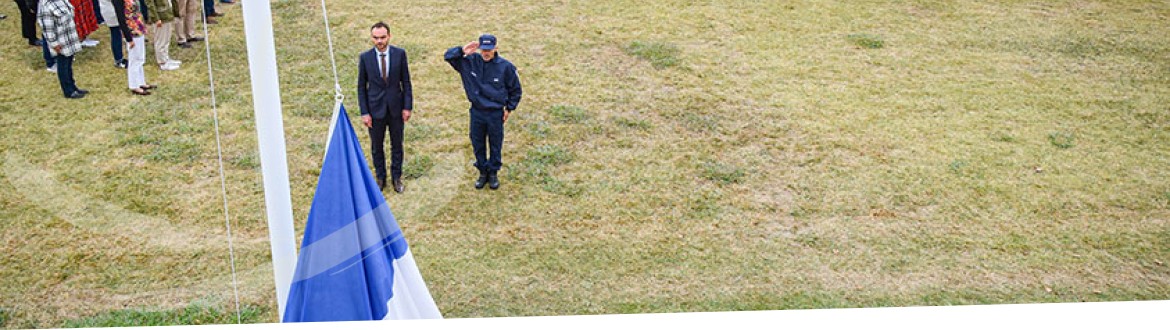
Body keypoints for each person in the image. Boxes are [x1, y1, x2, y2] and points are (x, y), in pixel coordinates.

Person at [444, 34, 523, 190]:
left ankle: (493, 173)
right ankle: (482, 171)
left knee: (495, 143)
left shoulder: (505, 67)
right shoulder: (469, 62)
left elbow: (516, 90)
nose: (486, 53)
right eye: (483, 49)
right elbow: (448, 57)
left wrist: (509, 108)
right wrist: (462, 51)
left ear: (496, 48)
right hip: (477, 111)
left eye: (489, 49)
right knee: (477, 142)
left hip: (495, 113)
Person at [357, 21, 413, 193]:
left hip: (396, 109)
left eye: (382, 37)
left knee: (397, 145)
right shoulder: (365, 58)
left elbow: (406, 82)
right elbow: (361, 87)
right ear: (371, 38)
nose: (379, 41)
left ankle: (397, 177)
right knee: (377, 146)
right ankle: (380, 178)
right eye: (376, 38)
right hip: (375, 111)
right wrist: (365, 112)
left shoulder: (400, 54)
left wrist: (407, 107)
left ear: (389, 36)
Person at [38, 0, 88, 98]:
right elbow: (47, 29)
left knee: (68, 64)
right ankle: (68, 91)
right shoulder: (46, 5)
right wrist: (54, 43)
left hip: (69, 38)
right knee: (63, 65)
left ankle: (73, 87)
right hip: (60, 41)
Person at [113, 0, 152, 95]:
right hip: (131, 31)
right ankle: (134, 85)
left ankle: (141, 82)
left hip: (138, 27)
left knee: (140, 58)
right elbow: (121, 19)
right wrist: (128, 38)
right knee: (134, 59)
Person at [143, 0, 179, 70]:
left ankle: (166, 58)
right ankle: (162, 62)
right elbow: (150, 3)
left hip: (167, 13)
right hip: (160, 16)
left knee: (166, 38)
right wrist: (156, 18)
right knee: (161, 40)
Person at [97, 0, 125, 68]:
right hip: (111, 10)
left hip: (109, 9)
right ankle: (118, 60)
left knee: (117, 34)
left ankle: (119, 58)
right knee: (116, 34)